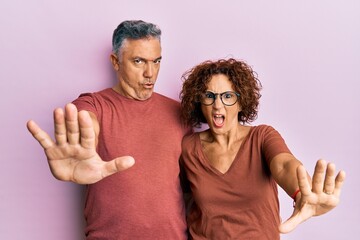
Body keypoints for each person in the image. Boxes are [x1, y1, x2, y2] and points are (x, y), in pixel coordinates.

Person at [27, 20, 190, 239]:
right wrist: (85, 145)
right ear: (116, 61)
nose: (150, 73)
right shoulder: (94, 104)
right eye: (139, 61)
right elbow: (86, 122)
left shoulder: (179, 113)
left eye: (156, 61)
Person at [179, 58, 346, 239]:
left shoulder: (262, 137)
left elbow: (284, 165)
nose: (217, 105)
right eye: (209, 96)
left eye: (227, 96)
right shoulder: (189, 148)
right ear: (199, 101)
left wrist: (301, 193)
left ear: (241, 102)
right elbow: (185, 199)